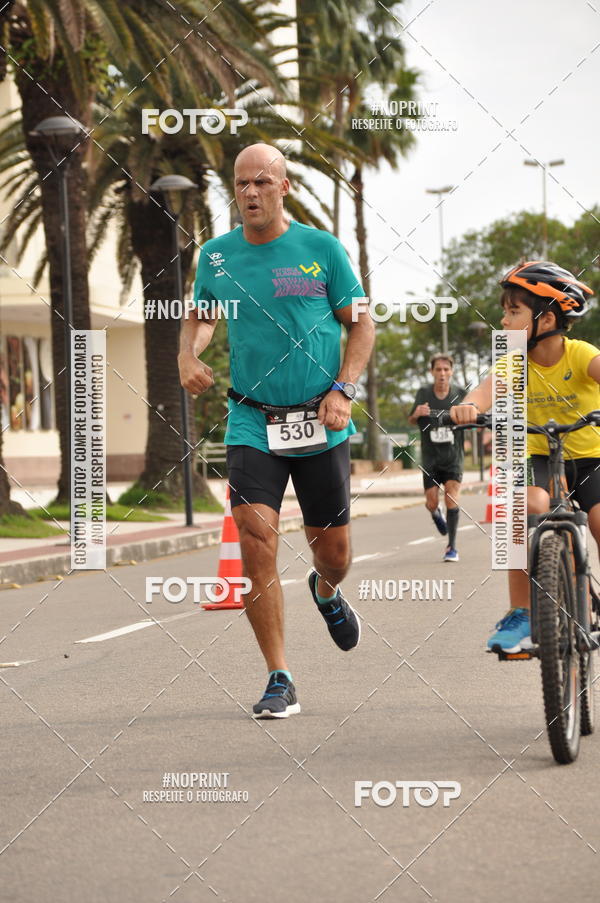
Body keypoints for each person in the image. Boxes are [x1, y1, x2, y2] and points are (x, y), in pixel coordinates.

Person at [178, 143, 375, 717]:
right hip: (252, 419)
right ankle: (279, 676)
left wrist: (344, 389)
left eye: (262, 182)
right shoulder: (216, 257)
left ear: (283, 187)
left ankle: (326, 590)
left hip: (320, 419)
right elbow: (201, 315)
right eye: (241, 184)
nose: (250, 193)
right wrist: (188, 356)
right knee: (255, 535)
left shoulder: (321, 249)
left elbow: (361, 325)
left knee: (333, 552)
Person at [450, 260, 598, 652]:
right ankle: (522, 613)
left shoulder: (580, 354)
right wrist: (468, 405)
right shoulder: (514, 363)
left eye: (514, 310)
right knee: (519, 507)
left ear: (546, 320)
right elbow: (486, 389)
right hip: (542, 458)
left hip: (591, 458)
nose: (503, 318)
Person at [408, 353, 466, 562]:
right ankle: (435, 513)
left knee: (452, 498)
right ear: (432, 372)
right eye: (438, 370)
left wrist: (462, 417)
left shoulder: (460, 393)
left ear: (451, 372)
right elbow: (411, 419)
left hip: (453, 457)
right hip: (430, 459)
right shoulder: (423, 393)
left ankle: (452, 547)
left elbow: (472, 417)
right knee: (431, 502)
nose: (442, 373)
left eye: (446, 369)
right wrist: (418, 412)